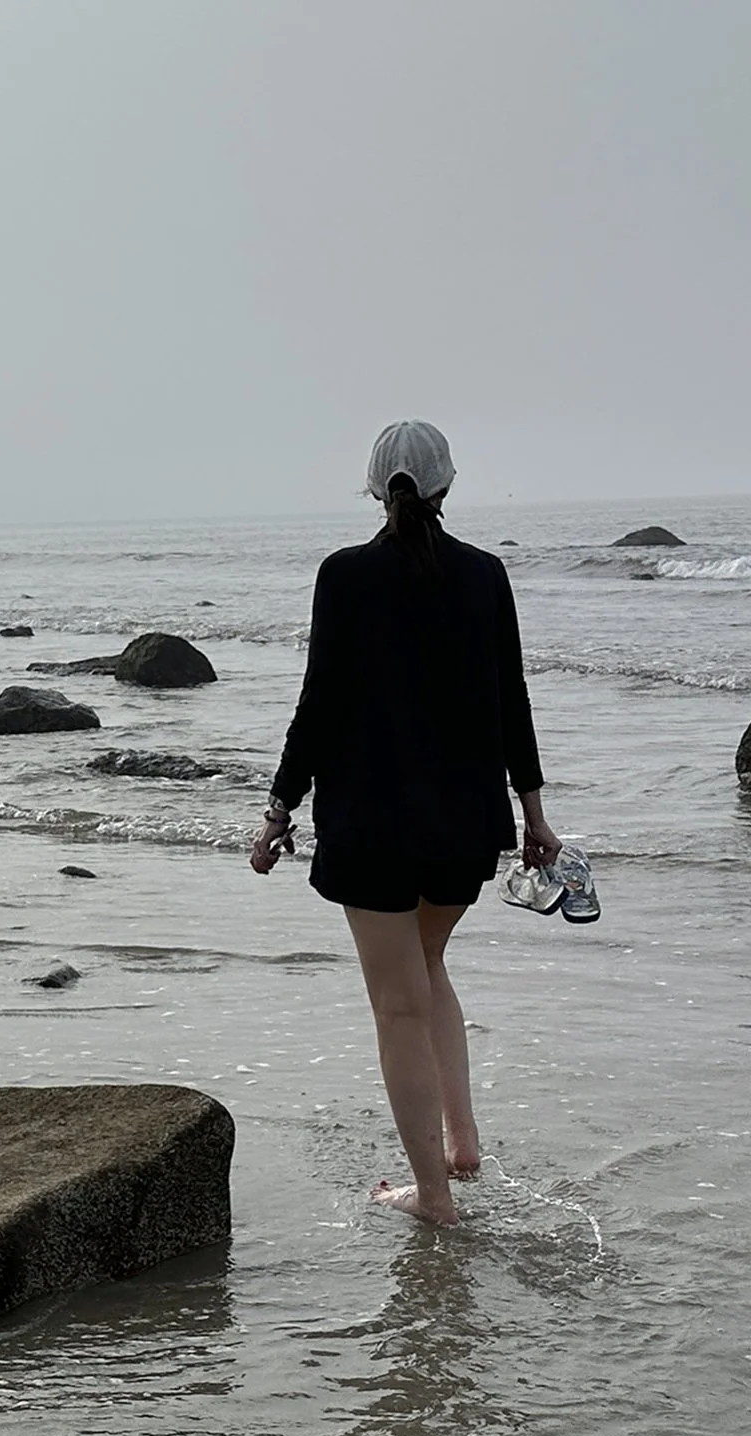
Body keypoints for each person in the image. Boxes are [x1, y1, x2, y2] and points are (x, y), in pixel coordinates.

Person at [252, 420, 558, 1227]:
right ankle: (462, 1142)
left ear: (374, 487)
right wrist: (533, 813)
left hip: (372, 825)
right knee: (427, 963)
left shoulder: (345, 575)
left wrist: (279, 807)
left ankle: (433, 1197)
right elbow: (512, 701)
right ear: (447, 485)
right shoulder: (485, 574)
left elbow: (318, 704)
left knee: (398, 1005)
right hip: (465, 824)